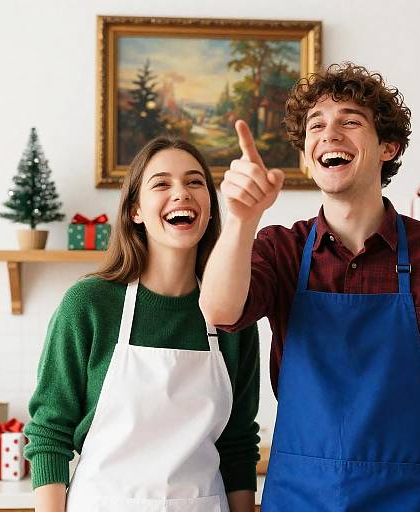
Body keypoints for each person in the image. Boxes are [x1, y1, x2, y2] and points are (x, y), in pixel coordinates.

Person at [200, 62, 420, 511]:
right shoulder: (282, 248)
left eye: (350, 122)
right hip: (297, 499)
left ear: (388, 147)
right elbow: (219, 312)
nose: (330, 133)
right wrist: (243, 220)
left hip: (408, 501)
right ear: (307, 154)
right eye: (316, 125)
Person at [24, 136, 260, 512]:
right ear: (135, 210)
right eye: (162, 183)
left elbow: (238, 443)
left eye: (195, 182)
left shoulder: (232, 314)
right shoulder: (89, 304)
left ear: (212, 209)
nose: (181, 193)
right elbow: (49, 433)